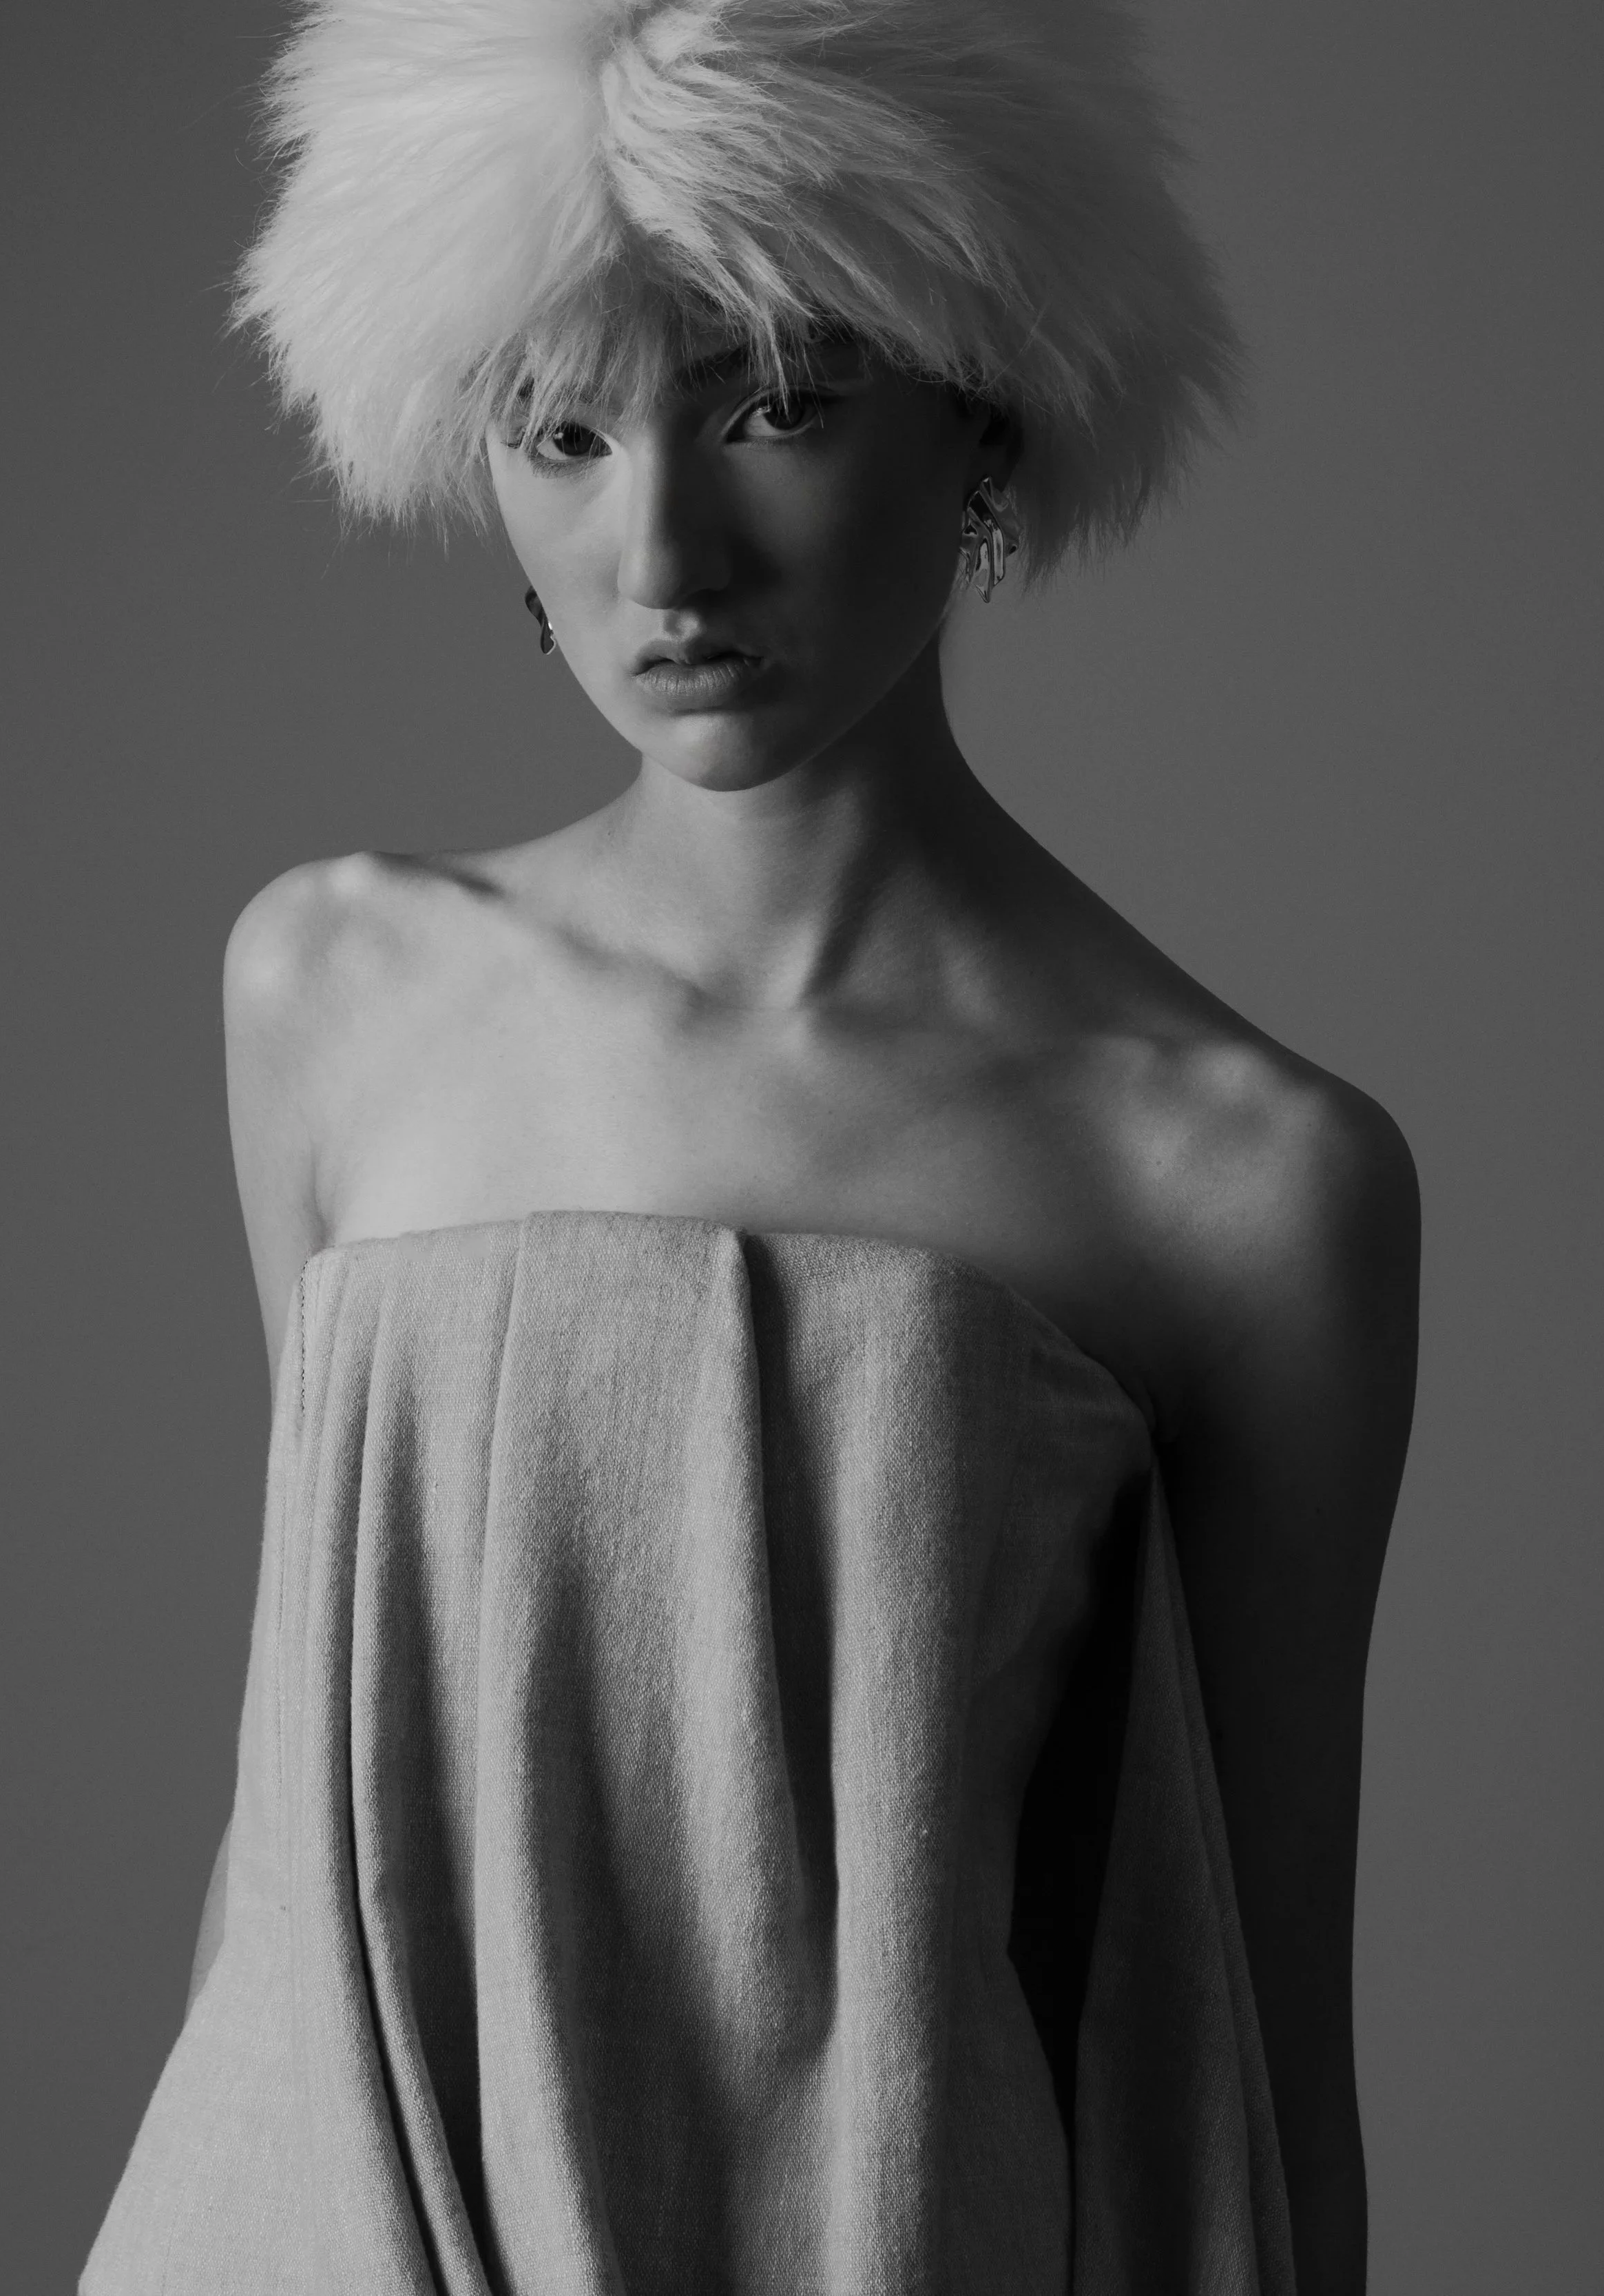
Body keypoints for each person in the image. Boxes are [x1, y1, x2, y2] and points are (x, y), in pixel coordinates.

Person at [84, 4, 1418, 2292]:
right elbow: (294, 1818)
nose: (663, 548)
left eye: (777, 407)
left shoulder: (1240, 1179)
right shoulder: (330, 992)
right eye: (561, 433)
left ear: (983, 405)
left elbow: (1260, 2059)